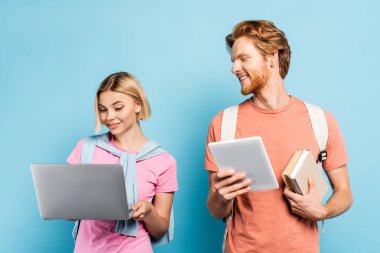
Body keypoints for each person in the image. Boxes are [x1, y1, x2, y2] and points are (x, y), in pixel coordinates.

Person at [204, 20, 353, 253]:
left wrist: (322, 211)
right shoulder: (223, 123)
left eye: (243, 58)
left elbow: (344, 193)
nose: (234, 68)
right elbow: (215, 209)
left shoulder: (320, 121)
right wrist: (222, 198)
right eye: (233, 61)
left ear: (272, 56)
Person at [67, 72, 178, 253]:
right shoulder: (86, 149)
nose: (109, 116)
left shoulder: (163, 161)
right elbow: (70, 211)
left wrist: (149, 212)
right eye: (103, 109)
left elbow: (160, 230)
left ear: (138, 105)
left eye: (118, 108)